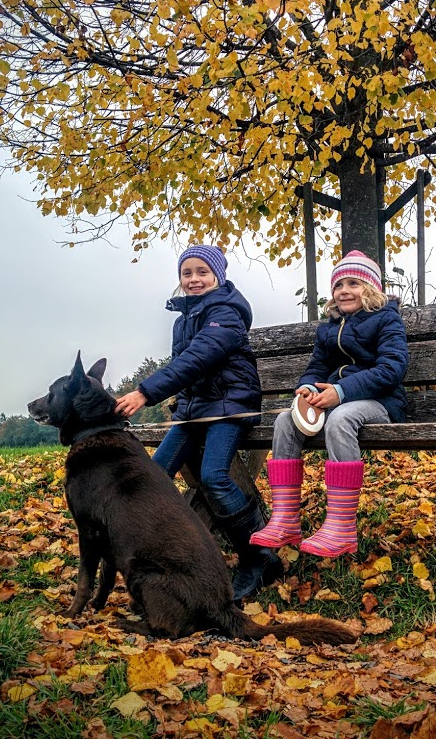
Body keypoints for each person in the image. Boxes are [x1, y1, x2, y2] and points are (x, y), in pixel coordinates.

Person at [115, 245, 282, 602]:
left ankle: (259, 557)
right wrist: (179, 407)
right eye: (187, 273)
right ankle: (175, 554)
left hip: (230, 407)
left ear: (218, 276)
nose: (194, 279)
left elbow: (200, 357)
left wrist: (146, 392)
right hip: (195, 412)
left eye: (202, 272)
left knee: (213, 476)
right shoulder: (183, 319)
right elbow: (188, 373)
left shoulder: (226, 311)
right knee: (154, 475)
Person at [250, 250, 409, 558]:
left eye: (354, 283)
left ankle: (341, 526)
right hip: (338, 402)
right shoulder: (328, 327)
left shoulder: (386, 319)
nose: (344, 290)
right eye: (339, 285)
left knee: (341, 418)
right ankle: (285, 519)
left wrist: (341, 391)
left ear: (372, 289)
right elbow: (315, 367)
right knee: (285, 421)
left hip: (380, 403)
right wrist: (307, 388)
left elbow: (392, 368)